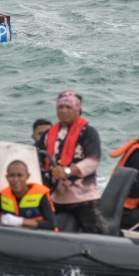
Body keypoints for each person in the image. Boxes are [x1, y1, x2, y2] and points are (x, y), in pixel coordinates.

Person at [36, 90, 109, 234]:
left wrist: (67, 171)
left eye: (68, 107)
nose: (63, 111)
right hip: (55, 196)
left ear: (78, 110)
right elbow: (35, 154)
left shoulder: (88, 132)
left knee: (98, 233)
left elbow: (92, 161)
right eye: (60, 107)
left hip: (83, 197)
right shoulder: (48, 134)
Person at [0, 160, 57, 230]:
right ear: (7, 177)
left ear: (27, 176)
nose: (15, 180)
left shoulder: (40, 195)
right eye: (11, 176)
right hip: (16, 238)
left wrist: (21, 221)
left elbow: (51, 224)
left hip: (41, 238)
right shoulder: (3, 196)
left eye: (20, 175)